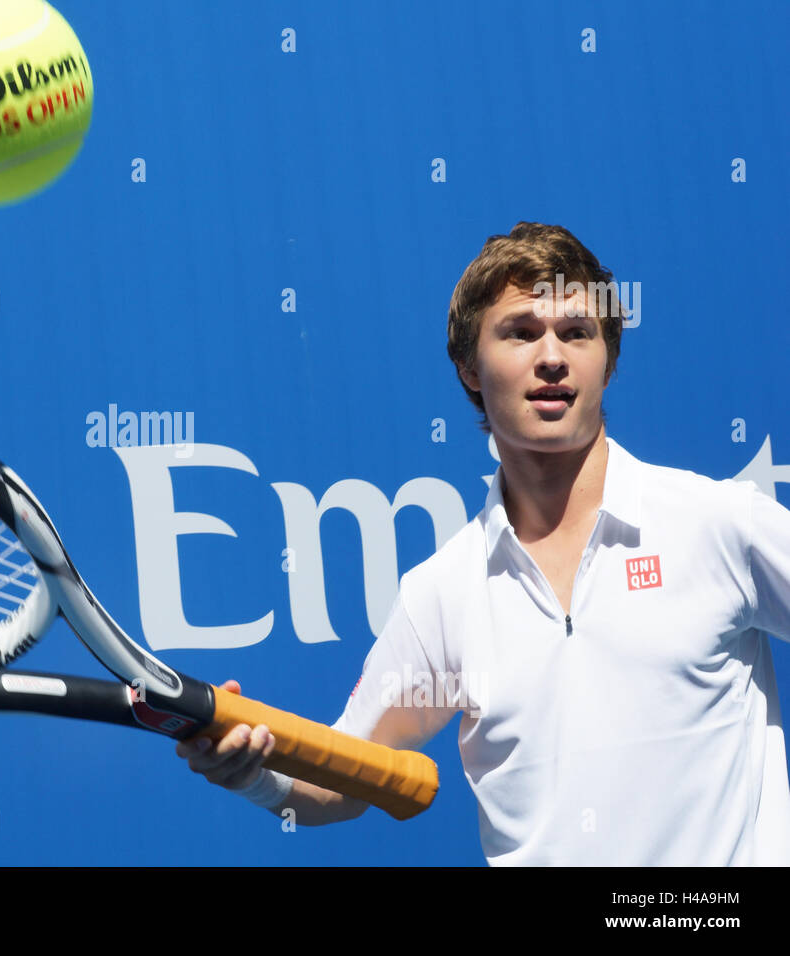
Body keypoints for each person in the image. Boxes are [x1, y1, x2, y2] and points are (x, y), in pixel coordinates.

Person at [177, 222, 790, 865]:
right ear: (470, 366)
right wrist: (252, 775)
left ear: (607, 360)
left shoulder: (722, 524)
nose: (552, 356)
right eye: (521, 332)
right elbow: (349, 777)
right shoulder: (441, 592)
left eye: (576, 332)